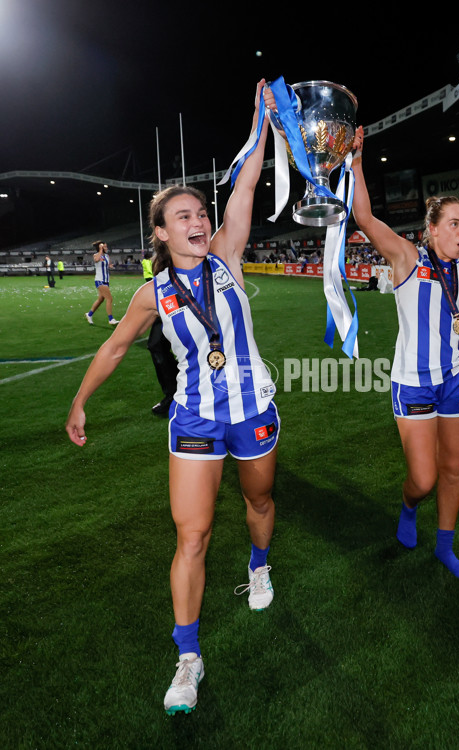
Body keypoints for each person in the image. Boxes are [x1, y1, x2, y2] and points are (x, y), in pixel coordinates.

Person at [66, 80, 277, 716]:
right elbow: (110, 350)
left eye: (200, 214)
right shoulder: (150, 295)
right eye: (182, 216)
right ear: (160, 231)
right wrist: (80, 403)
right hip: (195, 420)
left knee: (260, 498)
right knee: (192, 535)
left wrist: (261, 125)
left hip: (255, 409)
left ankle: (260, 566)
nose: (198, 222)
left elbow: (243, 187)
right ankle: (189, 657)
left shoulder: (230, 257)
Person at [351, 126, 459, 580]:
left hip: (456, 380)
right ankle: (409, 507)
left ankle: (445, 548)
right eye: (454, 224)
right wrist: (355, 159)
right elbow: (364, 216)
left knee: (452, 470)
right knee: (424, 480)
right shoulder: (408, 259)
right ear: (431, 229)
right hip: (413, 382)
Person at [141, 249, 178, 417]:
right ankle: (175, 392)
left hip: (183, 293)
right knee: (156, 345)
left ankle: (176, 394)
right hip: (168, 294)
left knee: (159, 345)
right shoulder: (163, 249)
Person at [85, 241, 119, 325]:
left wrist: (111, 266)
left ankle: (89, 314)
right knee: (109, 298)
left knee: (101, 299)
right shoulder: (96, 255)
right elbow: (96, 260)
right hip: (99, 280)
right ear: (101, 247)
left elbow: (108, 264)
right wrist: (100, 250)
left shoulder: (107, 256)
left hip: (106, 280)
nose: (106, 248)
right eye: (105, 247)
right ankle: (111, 319)